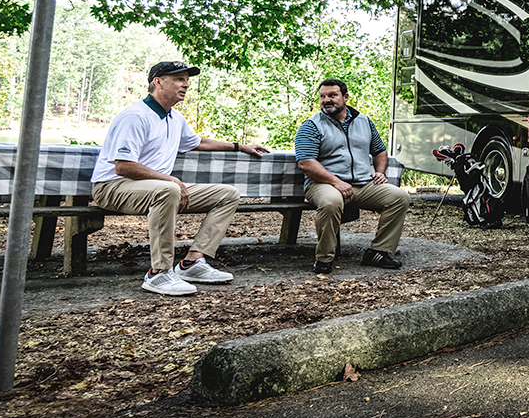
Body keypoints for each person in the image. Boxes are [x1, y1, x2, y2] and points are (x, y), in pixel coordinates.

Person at [90, 61, 271, 297]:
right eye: (179, 79)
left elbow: (197, 142)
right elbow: (123, 166)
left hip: (159, 188)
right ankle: (159, 273)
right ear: (158, 82)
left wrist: (239, 146)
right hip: (112, 187)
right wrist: (170, 180)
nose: (185, 84)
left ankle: (192, 263)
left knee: (227, 195)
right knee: (169, 190)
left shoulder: (174, 118)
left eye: (186, 80)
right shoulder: (135, 116)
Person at [295, 78, 409, 273]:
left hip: (363, 184)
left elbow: (380, 151)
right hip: (324, 184)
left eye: (332, 95)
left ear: (345, 97)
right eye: (322, 96)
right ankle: (324, 259)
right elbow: (306, 163)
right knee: (331, 201)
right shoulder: (311, 126)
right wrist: (336, 182)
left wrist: (380, 173)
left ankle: (378, 252)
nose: (326, 100)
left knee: (400, 197)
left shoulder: (364, 121)